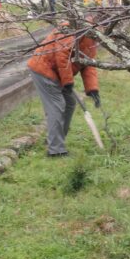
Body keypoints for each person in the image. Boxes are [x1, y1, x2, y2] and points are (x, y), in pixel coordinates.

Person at [27, 21, 101, 157]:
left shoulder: (94, 36)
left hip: (58, 72)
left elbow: (89, 62)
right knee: (57, 105)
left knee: (70, 103)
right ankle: (56, 150)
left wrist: (92, 88)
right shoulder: (71, 28)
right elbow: (62, 55)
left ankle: (54, 139)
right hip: (44, 67)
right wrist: (67, 81)